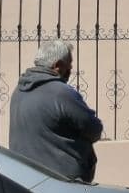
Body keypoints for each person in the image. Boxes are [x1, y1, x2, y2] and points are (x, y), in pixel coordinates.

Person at [8, 40, 103, 183]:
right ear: (58, 66)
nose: (70, 69)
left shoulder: (19, 90)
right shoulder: (61, 93)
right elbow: (94, 129)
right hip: (62, 181)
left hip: (25, 179)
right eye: (69, 65)